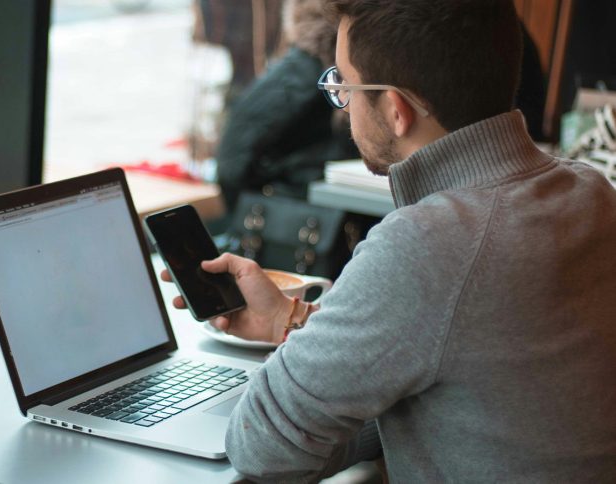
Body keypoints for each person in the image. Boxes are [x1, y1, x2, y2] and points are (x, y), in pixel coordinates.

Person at [162, 0, 616, 481]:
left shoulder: (426, 244)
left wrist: (303, 356)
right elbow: (460, 380)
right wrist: (289, 319)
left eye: (344, 84)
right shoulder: (590, 193)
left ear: (396, 111)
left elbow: (261, 447)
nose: (342, 99)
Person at [214, 0, 358, 211]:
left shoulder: (303, 70)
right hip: (320, 211)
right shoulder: (311, 70)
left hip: (315, 211)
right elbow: (233, 160)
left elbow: (231, 161)